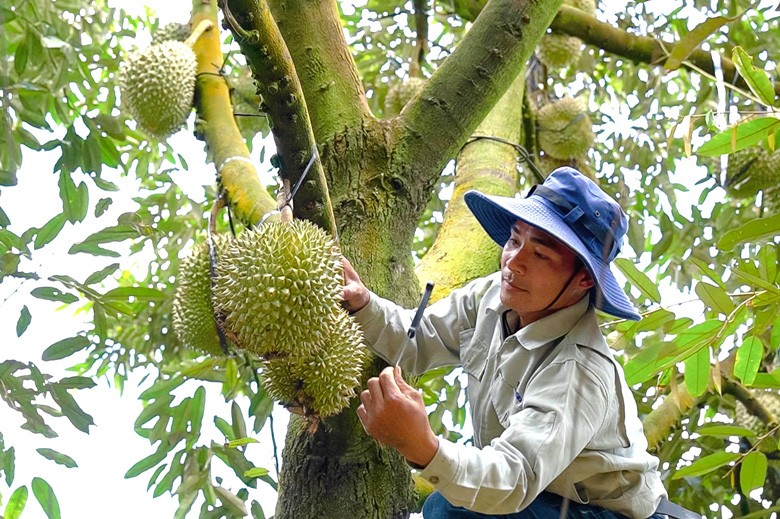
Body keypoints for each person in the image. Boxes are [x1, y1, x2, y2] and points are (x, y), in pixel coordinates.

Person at [340, 167, 678, 518]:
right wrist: (363, 304)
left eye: (540, 255)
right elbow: (419, 337)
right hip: (539, 494)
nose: (514, 262)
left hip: (602, 511)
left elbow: (516, 476)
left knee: (448, 512)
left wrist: (422, 446)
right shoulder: (491, 297)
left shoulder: (579, 370)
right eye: (515, 241)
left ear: (582, 280)